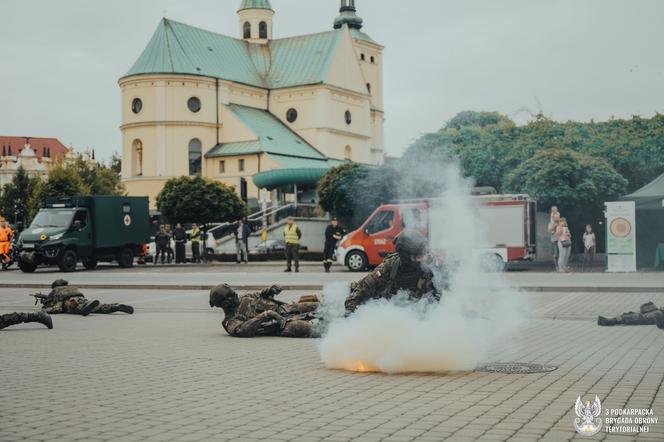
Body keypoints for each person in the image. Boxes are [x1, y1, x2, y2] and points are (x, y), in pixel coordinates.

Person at [344, 230, 438, 314]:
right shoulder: (390, 266)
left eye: (422, 254)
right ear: (405, 257)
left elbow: (444, 295)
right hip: (390, 314)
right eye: (417, 256)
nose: (422, 259)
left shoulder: (430, 266)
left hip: (420, 315)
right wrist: (350, 313)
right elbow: (362, 289)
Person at [209, 284, 320, 338]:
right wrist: (266, 314)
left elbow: (260, 294)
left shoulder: (244, 298)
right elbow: (242, 331)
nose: (236, 295)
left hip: (285, 309)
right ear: (226, 303)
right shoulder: (231, 321)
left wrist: (270, 290)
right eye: (232, 295)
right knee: (309, 328)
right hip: (281, 325)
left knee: (317, 306)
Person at [34, 280, 134, 316]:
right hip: (79, 298)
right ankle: (115, 306)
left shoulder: (55, 290)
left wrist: (44, 302)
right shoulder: (71, 287)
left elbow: (50, 304)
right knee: (98, 307)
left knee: (76, 307)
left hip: (70, 302)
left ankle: (85, 309)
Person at [598, 302, 664, 329]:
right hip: (657, 313)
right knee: (631, 315)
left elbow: (660, 325)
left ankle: (609, 321)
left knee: (631, 317)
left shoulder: (657, 314)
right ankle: (610, 320)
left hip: (656, 315)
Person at [547, 207, 560, 272]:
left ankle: (561, 266)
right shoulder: (550, 223)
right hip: (554, 240)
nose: (554, 211)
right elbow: (549, 231)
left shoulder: (560, 222)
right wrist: (554, 226)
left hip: (560, 240)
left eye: (555, 210)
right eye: (553, 210)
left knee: (560, 254)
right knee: (555, 255)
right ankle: (556, 266)